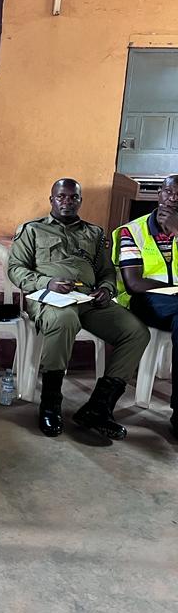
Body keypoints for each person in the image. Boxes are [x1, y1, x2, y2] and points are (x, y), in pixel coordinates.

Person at [8, 178, 149, 439]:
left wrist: (107, 290)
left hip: (88, 300)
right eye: (61, 197)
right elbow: (15, 269)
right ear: (51, 200)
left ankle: (99, 407)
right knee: (64, 320)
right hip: (49, 299)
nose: (67, 202)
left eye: (73, 198)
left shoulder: (94, 233)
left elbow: (107, 271)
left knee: (136, 332)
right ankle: (51, 403)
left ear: (80, 201)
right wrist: (47, 282)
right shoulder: (32, 230)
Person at [112, 173, 178, 436]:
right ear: (158, 194)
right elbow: (135, 284)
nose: (173, 199)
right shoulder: (133, 230)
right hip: (145, 302)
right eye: (168, 192)